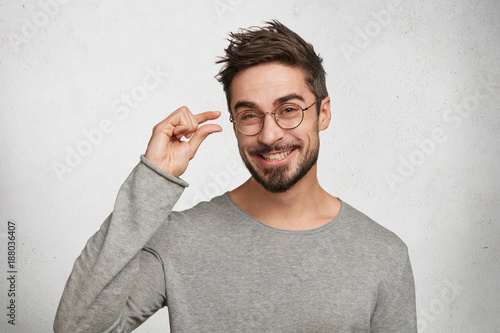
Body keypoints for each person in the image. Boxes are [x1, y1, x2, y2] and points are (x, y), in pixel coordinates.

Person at [54, 20, 417, 332]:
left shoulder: (383, 254)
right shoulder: (180, 239)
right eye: (249, 115)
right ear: (233, 121)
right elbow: (77, 328)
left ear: (323, 113)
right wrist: (153, 180)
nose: (270, 134)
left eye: (288, 110)